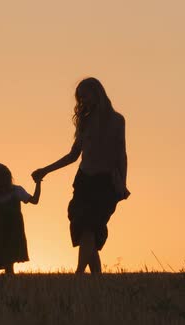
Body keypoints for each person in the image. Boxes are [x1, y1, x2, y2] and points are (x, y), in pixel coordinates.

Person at [32, 77, 129, 274]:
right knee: (85, 227)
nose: (83, 100)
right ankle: (94, 280)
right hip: (85, 181)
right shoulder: (85, 121)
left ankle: (78, 274)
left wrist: (123, 184)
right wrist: (46, 170)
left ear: (97, 93)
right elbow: (73, 156)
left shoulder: (117, 120)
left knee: (91, 227)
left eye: (85, 95)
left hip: (106, 183)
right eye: (80, 97)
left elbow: (121, 153)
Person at [0, 163, 41, 275]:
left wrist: (38, 183)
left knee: (9, 262)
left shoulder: (16, 191)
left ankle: (7, 287)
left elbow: (34, 200)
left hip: (13, 230)